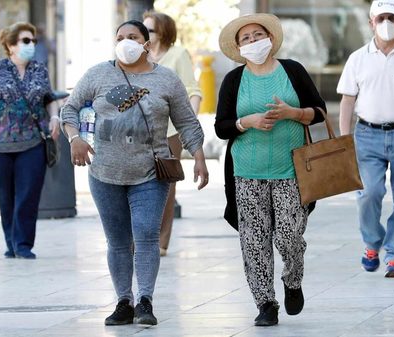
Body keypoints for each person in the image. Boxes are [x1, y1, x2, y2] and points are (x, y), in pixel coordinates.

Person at [61, 20, 209, 326]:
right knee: (117, 241)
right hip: (105, 174)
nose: (125, 42)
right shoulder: (98, 74)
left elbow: (187, 122)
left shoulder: (166, 79)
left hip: (150, 173)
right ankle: (123, 301)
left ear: (146, 43)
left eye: (133, 37)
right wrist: (75, 138)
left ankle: (145, 301)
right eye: (120, 37)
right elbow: (70, 108)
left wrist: (199, 158)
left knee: (145, 234)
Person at [215, 13, 326, 326]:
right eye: (246, 38)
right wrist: (245, 122)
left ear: (270, 38)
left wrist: (293, 113)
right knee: (254, 239)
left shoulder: (292, 70)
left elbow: (319, 112)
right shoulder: (234, 80)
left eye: (257, 35)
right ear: (239, 47)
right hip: (246, 171)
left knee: (290, 235)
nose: (253, 42)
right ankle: (265, 303)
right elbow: (222, 126)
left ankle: (292, 280)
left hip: (291, 169)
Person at [0, 22, 60, 260]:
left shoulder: (39, 70)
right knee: (6, 194)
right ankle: (10, 242)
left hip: (33, 141)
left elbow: (49, 98)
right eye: (25, 41)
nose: (30, 45)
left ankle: (23, 244)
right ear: (11, 45)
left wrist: (54, 117)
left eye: (32, 41)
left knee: (28, 194)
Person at [337, 0, 394, 278]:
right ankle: (372, 242)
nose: (386, 23)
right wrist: (344, 140)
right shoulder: (357, 58)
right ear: (371, 23)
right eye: (381, 18)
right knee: (369, 193)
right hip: (367, 134)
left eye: (391, 17)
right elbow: (347, 101)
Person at [142, 11, 202, 257]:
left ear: (164, 31)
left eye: (151, 30)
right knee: (140, 184)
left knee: (165, 188)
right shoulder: (140, 55)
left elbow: (192, 90)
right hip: (139, 132)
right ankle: (141, 238)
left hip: (170, 132)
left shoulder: (178, 55)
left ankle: (161, 242)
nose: (146, 35)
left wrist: (189, 125)